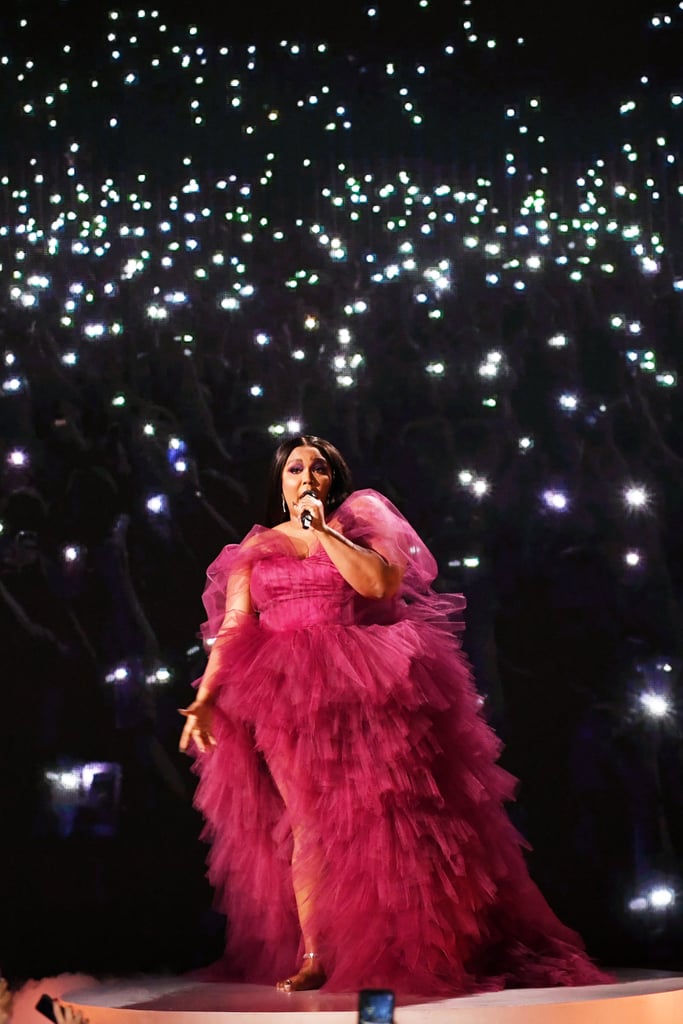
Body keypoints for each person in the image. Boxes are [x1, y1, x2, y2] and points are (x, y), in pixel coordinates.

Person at [179, 435, 611, 995]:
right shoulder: (254, 552)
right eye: (294, 468)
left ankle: (413, 943)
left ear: (332, 480)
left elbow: (378, 582)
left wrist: (324, 532)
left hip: (368, 682)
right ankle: (315, 952)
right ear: (279, 482)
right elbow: (235, 626)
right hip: (286, 694)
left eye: (318, 468)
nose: (306, 476)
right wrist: (208, 695)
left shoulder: (362, 520)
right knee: (308, 823)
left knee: (385, 818)